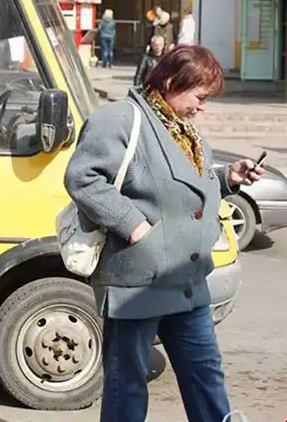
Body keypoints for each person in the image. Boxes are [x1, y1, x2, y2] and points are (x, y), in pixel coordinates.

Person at [64, 45, 265, 422]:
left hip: (187, 282)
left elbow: (185, 186)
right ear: (172, 82)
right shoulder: (120, 119)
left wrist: (227, 178)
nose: (203, 107)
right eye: (200, 97)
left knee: (205, 376)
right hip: (137, 284)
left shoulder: (185, 130)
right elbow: (84, 179)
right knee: (127, 386)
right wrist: (133, 226)